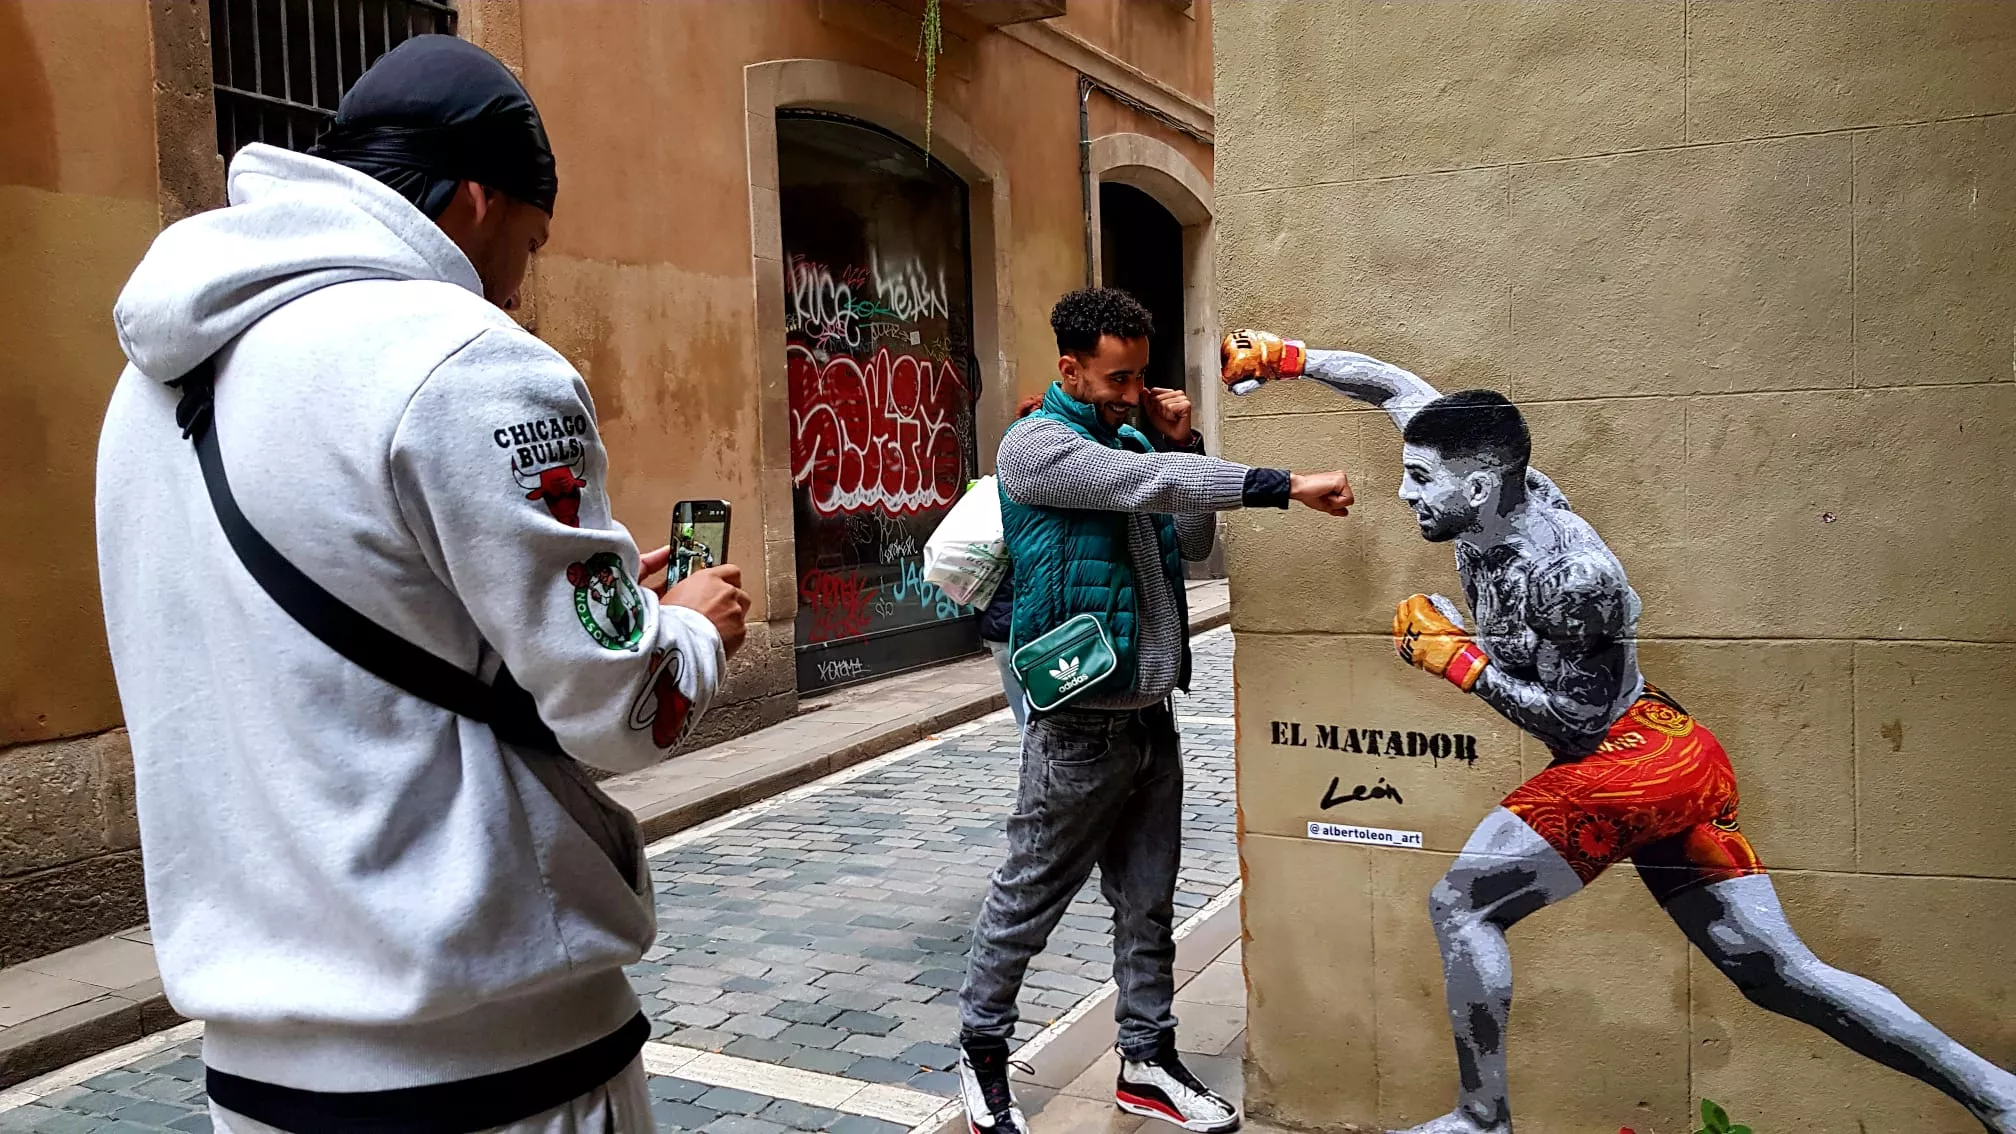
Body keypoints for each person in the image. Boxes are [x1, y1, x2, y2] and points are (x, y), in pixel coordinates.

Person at [96, 36, 749, 1134]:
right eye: (532, 243)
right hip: (495, 1062)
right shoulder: (468, 360)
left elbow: (340, 636)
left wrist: (556, 609)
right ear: (480, 201)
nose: (521, 280)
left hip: (259, 1075)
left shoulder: (149, 388)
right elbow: (627, 713)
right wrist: (685, 630)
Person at [1221, 330, 2016, 1134]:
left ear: (1483, 486)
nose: (1404, 495)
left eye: (1422, 480)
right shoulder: (1487, 479)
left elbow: (1575, 720)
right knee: (1776, 973)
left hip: (1632, 758)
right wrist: (1289, 358)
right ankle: (1999, 1095)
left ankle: (1480, 1120)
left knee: (1462, 903)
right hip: (1667, 753)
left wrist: (1458, 664)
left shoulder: (1571, 576)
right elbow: (1395, 387)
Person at [955, 290, 1355, 1134]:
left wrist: (1190, 442)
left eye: (1142, 374)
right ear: (1070, 368)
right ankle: (982, 1054)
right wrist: (1280, 485)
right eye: (1119, 376)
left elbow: (1196, 537)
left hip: (1148, 720)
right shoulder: (1038, 447)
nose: (1137, 391)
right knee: (1027, 900)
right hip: (1077, 726)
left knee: (1148, 904)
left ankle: (1146, 1061)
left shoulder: (1137, 435)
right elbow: (1145, 485)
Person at [977, 394, 1046, 732]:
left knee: (1027, 726)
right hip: (1031, 626)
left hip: (1002, 624)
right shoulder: (1050, 492)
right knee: (1045, 724)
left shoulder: (994, 489)